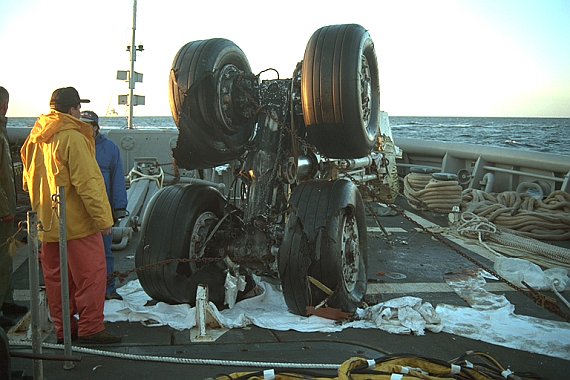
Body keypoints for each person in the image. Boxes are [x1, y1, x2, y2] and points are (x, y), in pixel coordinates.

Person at [20, 87, 121, 343]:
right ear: (74, 110)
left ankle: (65, 330)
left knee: (56, 281)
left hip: (47, 225)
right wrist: (103, 220)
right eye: (78, 109)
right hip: (78, 226)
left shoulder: (35, 137)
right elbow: (88, 182)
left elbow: (26, 182)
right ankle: (90, 328)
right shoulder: (72, 138)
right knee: (90, 276)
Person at [80, 111, 127, 301]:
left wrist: (118, 208)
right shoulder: (74, 145)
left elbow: (117, 180)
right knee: (80, 255)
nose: (84, 128)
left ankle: (108, 289)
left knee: (104, 252)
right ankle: (84, 291)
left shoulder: (110, 149)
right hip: (79, 212)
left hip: (103, 211)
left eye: (88, 125)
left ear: (96, 127)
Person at [0, 86, 28, 328]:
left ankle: (5, 301)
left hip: (5, 211)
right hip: (1, 213)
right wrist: (4, 209)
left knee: (6, 258)